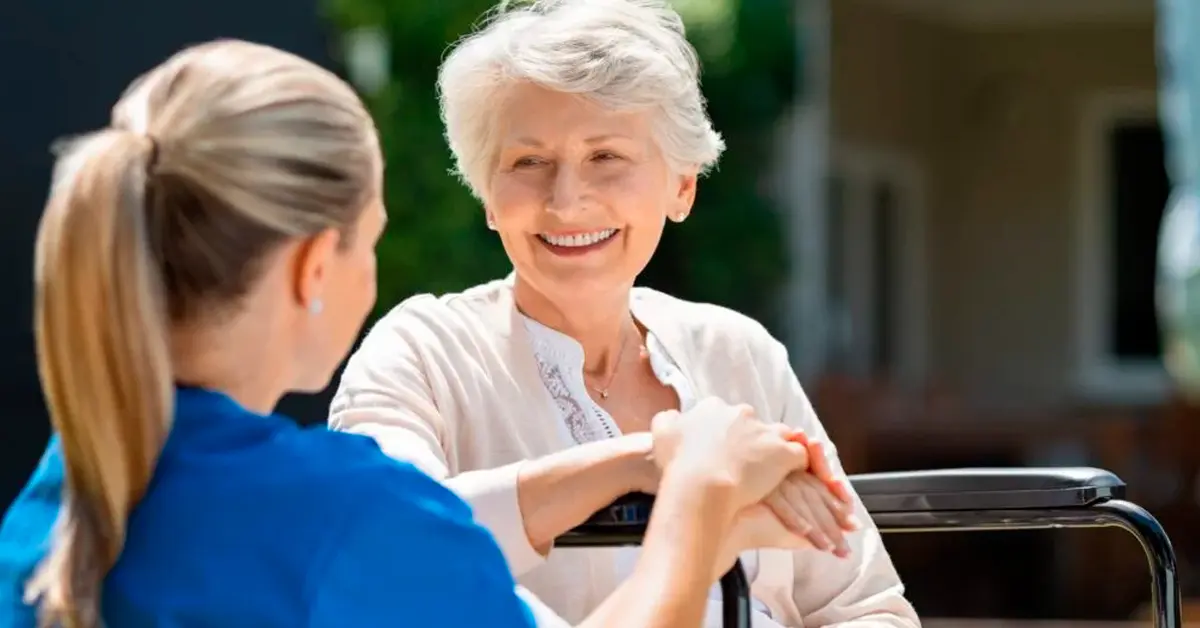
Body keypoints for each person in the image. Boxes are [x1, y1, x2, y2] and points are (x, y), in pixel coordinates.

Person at [0, 39, 832, 628]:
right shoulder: (351, 516)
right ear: (314, 268)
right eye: (373, 235)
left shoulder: (66, 492)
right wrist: (696, 499)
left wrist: (645, 460)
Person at [328, 1, 921, 626]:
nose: (566, 200)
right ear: (488, 197)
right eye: (529, 162)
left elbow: (864, 604)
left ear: (681, 187)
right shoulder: (421, 352)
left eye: (605, 156)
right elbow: (380, 545)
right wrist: (658, 461)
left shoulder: (737, 350)